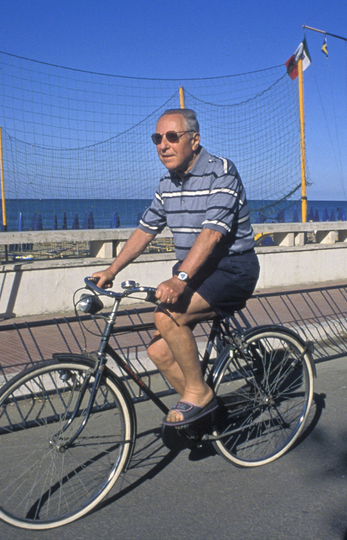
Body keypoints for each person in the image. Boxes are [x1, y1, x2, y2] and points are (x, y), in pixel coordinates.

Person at [91, 109, 259, 427]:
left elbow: (212, 233)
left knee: (166, 317)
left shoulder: (221, 172)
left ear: (194, 140)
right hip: (195, 271)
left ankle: (198, 392)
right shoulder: (166, 183)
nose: (163, 145)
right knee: (159, 352)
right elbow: (145, 230)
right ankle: (211, 417)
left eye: (172, 136)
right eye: (157, 138)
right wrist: (111, 271)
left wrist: (180, 278)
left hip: (232, 269)